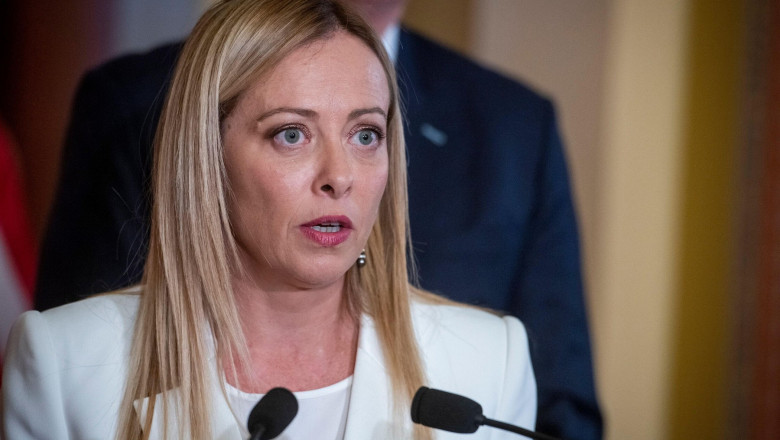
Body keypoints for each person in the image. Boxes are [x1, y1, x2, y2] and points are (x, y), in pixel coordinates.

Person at [35, 0, 602, 438]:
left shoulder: (488, 365)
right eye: (291, 134)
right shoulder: (66, 365)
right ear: (205, 155)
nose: (340, 176)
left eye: (366, 135)